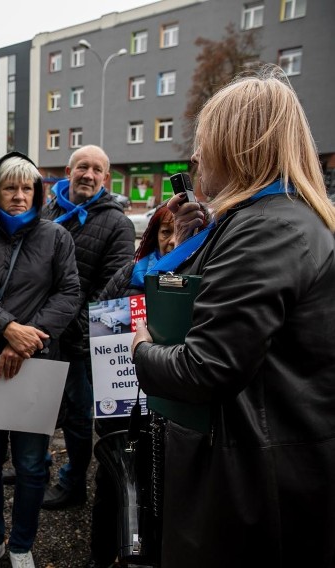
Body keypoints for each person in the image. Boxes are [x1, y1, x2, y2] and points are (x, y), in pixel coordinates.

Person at [131, 70, 335, 568]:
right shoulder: (268, 221)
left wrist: (140, 350)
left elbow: (208, 367)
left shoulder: (269, 229)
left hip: (252, 480)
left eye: (204, 143)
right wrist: (184, 249)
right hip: (250, 461)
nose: (196, 158)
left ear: (237, 145)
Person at [0, 151, 80, 568]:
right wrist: (7, 327)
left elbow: (69, 294)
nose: (19, 196)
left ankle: (21, 545)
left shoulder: (56, 237)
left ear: (38, 194)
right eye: (10, 188)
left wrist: (26, 341)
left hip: (36, 363)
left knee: (31, 466)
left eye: (28, 188)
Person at [40, 145, 135, 510]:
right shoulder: (47, 212)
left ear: (105, 178)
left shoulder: (117, 224)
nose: (89, 174)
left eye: (97, 169)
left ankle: (73, 483)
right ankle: (38, 466)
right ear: (69, 170)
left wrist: (67, 328)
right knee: (40, 408)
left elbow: (111, 290)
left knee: (78, 419)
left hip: (78, 340)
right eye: (83, 167)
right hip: (40, 332)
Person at [85, 201, 175, 568]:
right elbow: (97, 330)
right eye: (165, 231)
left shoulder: (208, 275)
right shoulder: (130, 273)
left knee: (165, 494)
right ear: (154, 235)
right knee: (112, 488)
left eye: (180, 232)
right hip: (122, 410)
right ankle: (101, 556)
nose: (171, 241)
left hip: (172, 410)